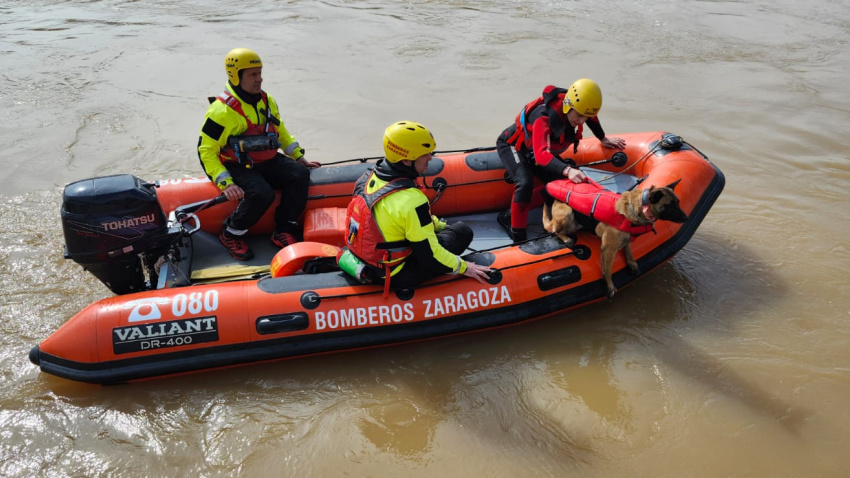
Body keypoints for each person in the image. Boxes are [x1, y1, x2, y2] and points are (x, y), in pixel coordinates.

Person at [197, 47, 321, 260]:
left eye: (260, 73)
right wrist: (226, 183)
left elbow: (280, 131)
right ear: (236, 76)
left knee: (299, 175)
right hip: (237, 164)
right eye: (253, 74)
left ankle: (283, 229)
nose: (260, 79)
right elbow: (206, 149)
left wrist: (300, 158)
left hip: (267, 160)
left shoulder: (267, 100)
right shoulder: (221, 111)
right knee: (262, 193)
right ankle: (231, 233)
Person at [341, 121, 492, 292]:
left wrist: (439, 225)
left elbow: (394, 219)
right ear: (406, 160)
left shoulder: (366, 178)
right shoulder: (412, 201)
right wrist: (465, 267)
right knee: (462, 231)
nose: (430, 158)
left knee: (438, 230)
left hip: (365, 261)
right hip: (397, 274)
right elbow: (430, 257)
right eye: (425, 154)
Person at [496, 79, 625, 242]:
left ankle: (511, 213)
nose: (581, 121)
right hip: (514, 146)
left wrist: (603, 138)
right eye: (579, 116)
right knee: (525, 183)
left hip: (536, 149)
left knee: (561, 183)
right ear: (568, 105)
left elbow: (592, 118)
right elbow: (542, 156)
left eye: (585, 117)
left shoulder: (579, 109)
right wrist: (568, 170)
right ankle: (517, 234)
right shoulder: (543, 118)